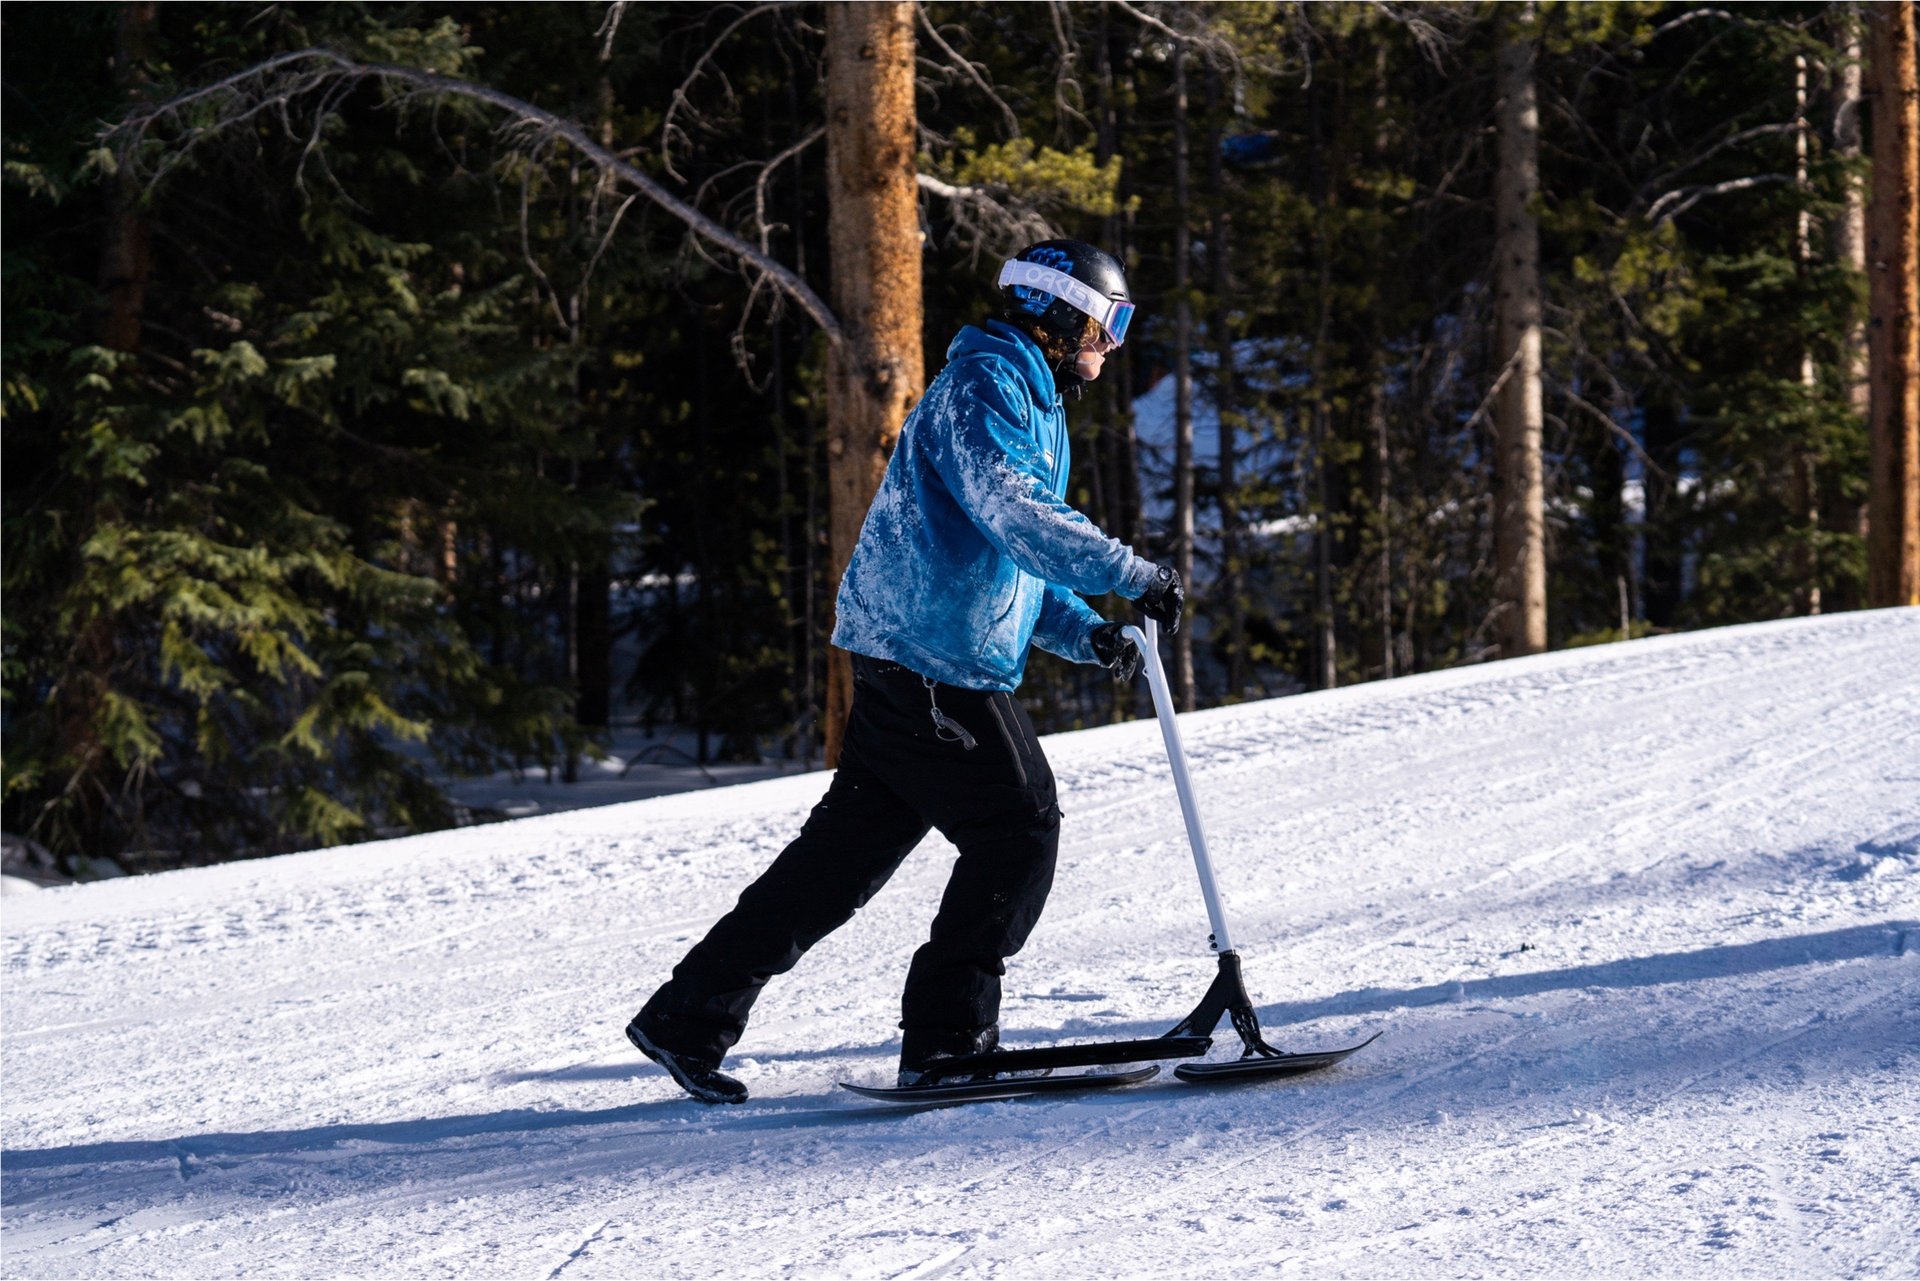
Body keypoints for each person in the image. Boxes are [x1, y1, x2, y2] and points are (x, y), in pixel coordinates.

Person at [626, 239, 1185, 1104]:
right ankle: (947, 1040)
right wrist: (1130, 572)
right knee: (1020, 823)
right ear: (1057, 313)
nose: (1114, 343)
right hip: (930, 664)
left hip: (913, 654)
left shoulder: (1033, 399)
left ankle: (686, 1015)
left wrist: (1087, 633)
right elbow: (1016, 512)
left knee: (837, 866)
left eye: (1122, 324)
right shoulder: (984, 387)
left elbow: (1006, 557)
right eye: (1109, 321)